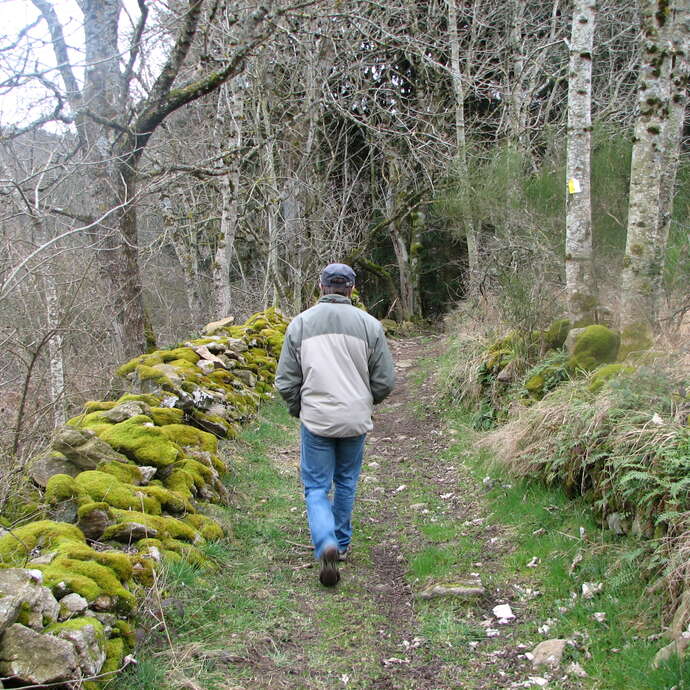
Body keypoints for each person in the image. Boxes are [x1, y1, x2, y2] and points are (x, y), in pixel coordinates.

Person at [276, 263, 395, 586]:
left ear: (321, 287)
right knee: (345, 481)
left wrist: (299, 408)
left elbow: (286, 381)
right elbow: (384, 380)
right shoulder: (370, 325)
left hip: (316, 419)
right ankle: (340, 545)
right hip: (355, 418)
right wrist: (365, 402)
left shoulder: (300, 324)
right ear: (352, 289)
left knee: (316, 486)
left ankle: (325, 541)